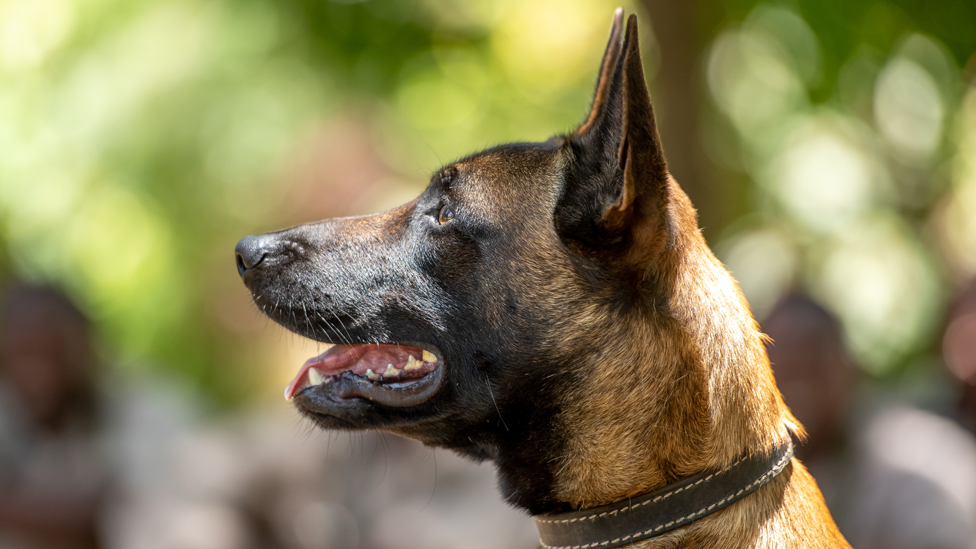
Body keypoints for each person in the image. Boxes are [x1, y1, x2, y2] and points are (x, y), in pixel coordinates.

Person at [764, 294, 976, 549]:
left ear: (848, 366)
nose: (798, 390)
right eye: (783, 371)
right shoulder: (759, 473)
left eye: (811, 364)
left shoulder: (920, 456)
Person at [0, 284, 106, 548]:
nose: (34, 373)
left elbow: (117, 512)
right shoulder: (8, 409)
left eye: (48, 353)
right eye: (22, 353)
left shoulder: (130, 409)